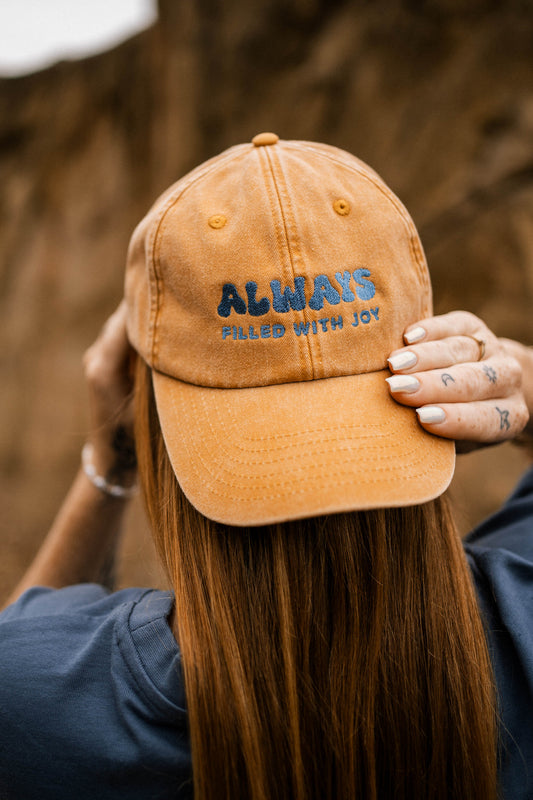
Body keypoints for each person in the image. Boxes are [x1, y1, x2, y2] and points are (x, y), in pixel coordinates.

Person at [0, 133, 532, 800]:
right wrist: (524, 383)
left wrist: (109, 465)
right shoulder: (522, 617)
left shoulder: (38, 697)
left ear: (141, 399)